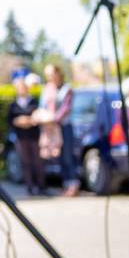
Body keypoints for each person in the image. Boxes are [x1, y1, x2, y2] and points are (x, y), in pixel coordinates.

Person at [42, 62, 79, 197]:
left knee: (68, 156)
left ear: (58, 74)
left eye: (52, 74)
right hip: (52, 128)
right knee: (60, 157)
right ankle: (66, 184)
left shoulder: (67, 89)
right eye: (48, 75)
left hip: (64, 126)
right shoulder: (48, 89)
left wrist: (53, 119)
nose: (50, 78)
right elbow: (44, 105)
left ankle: (73, 184)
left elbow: (66, 108)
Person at [8, 74, 45, 195]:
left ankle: (41, 186)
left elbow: (37, 116)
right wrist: (19, 121)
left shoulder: (34, 101)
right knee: (25, 161)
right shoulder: (14, 104)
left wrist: (28, 121)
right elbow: (10, 120)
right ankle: (29, 186)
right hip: (21, 136)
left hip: (34, 135)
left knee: (37, 161)